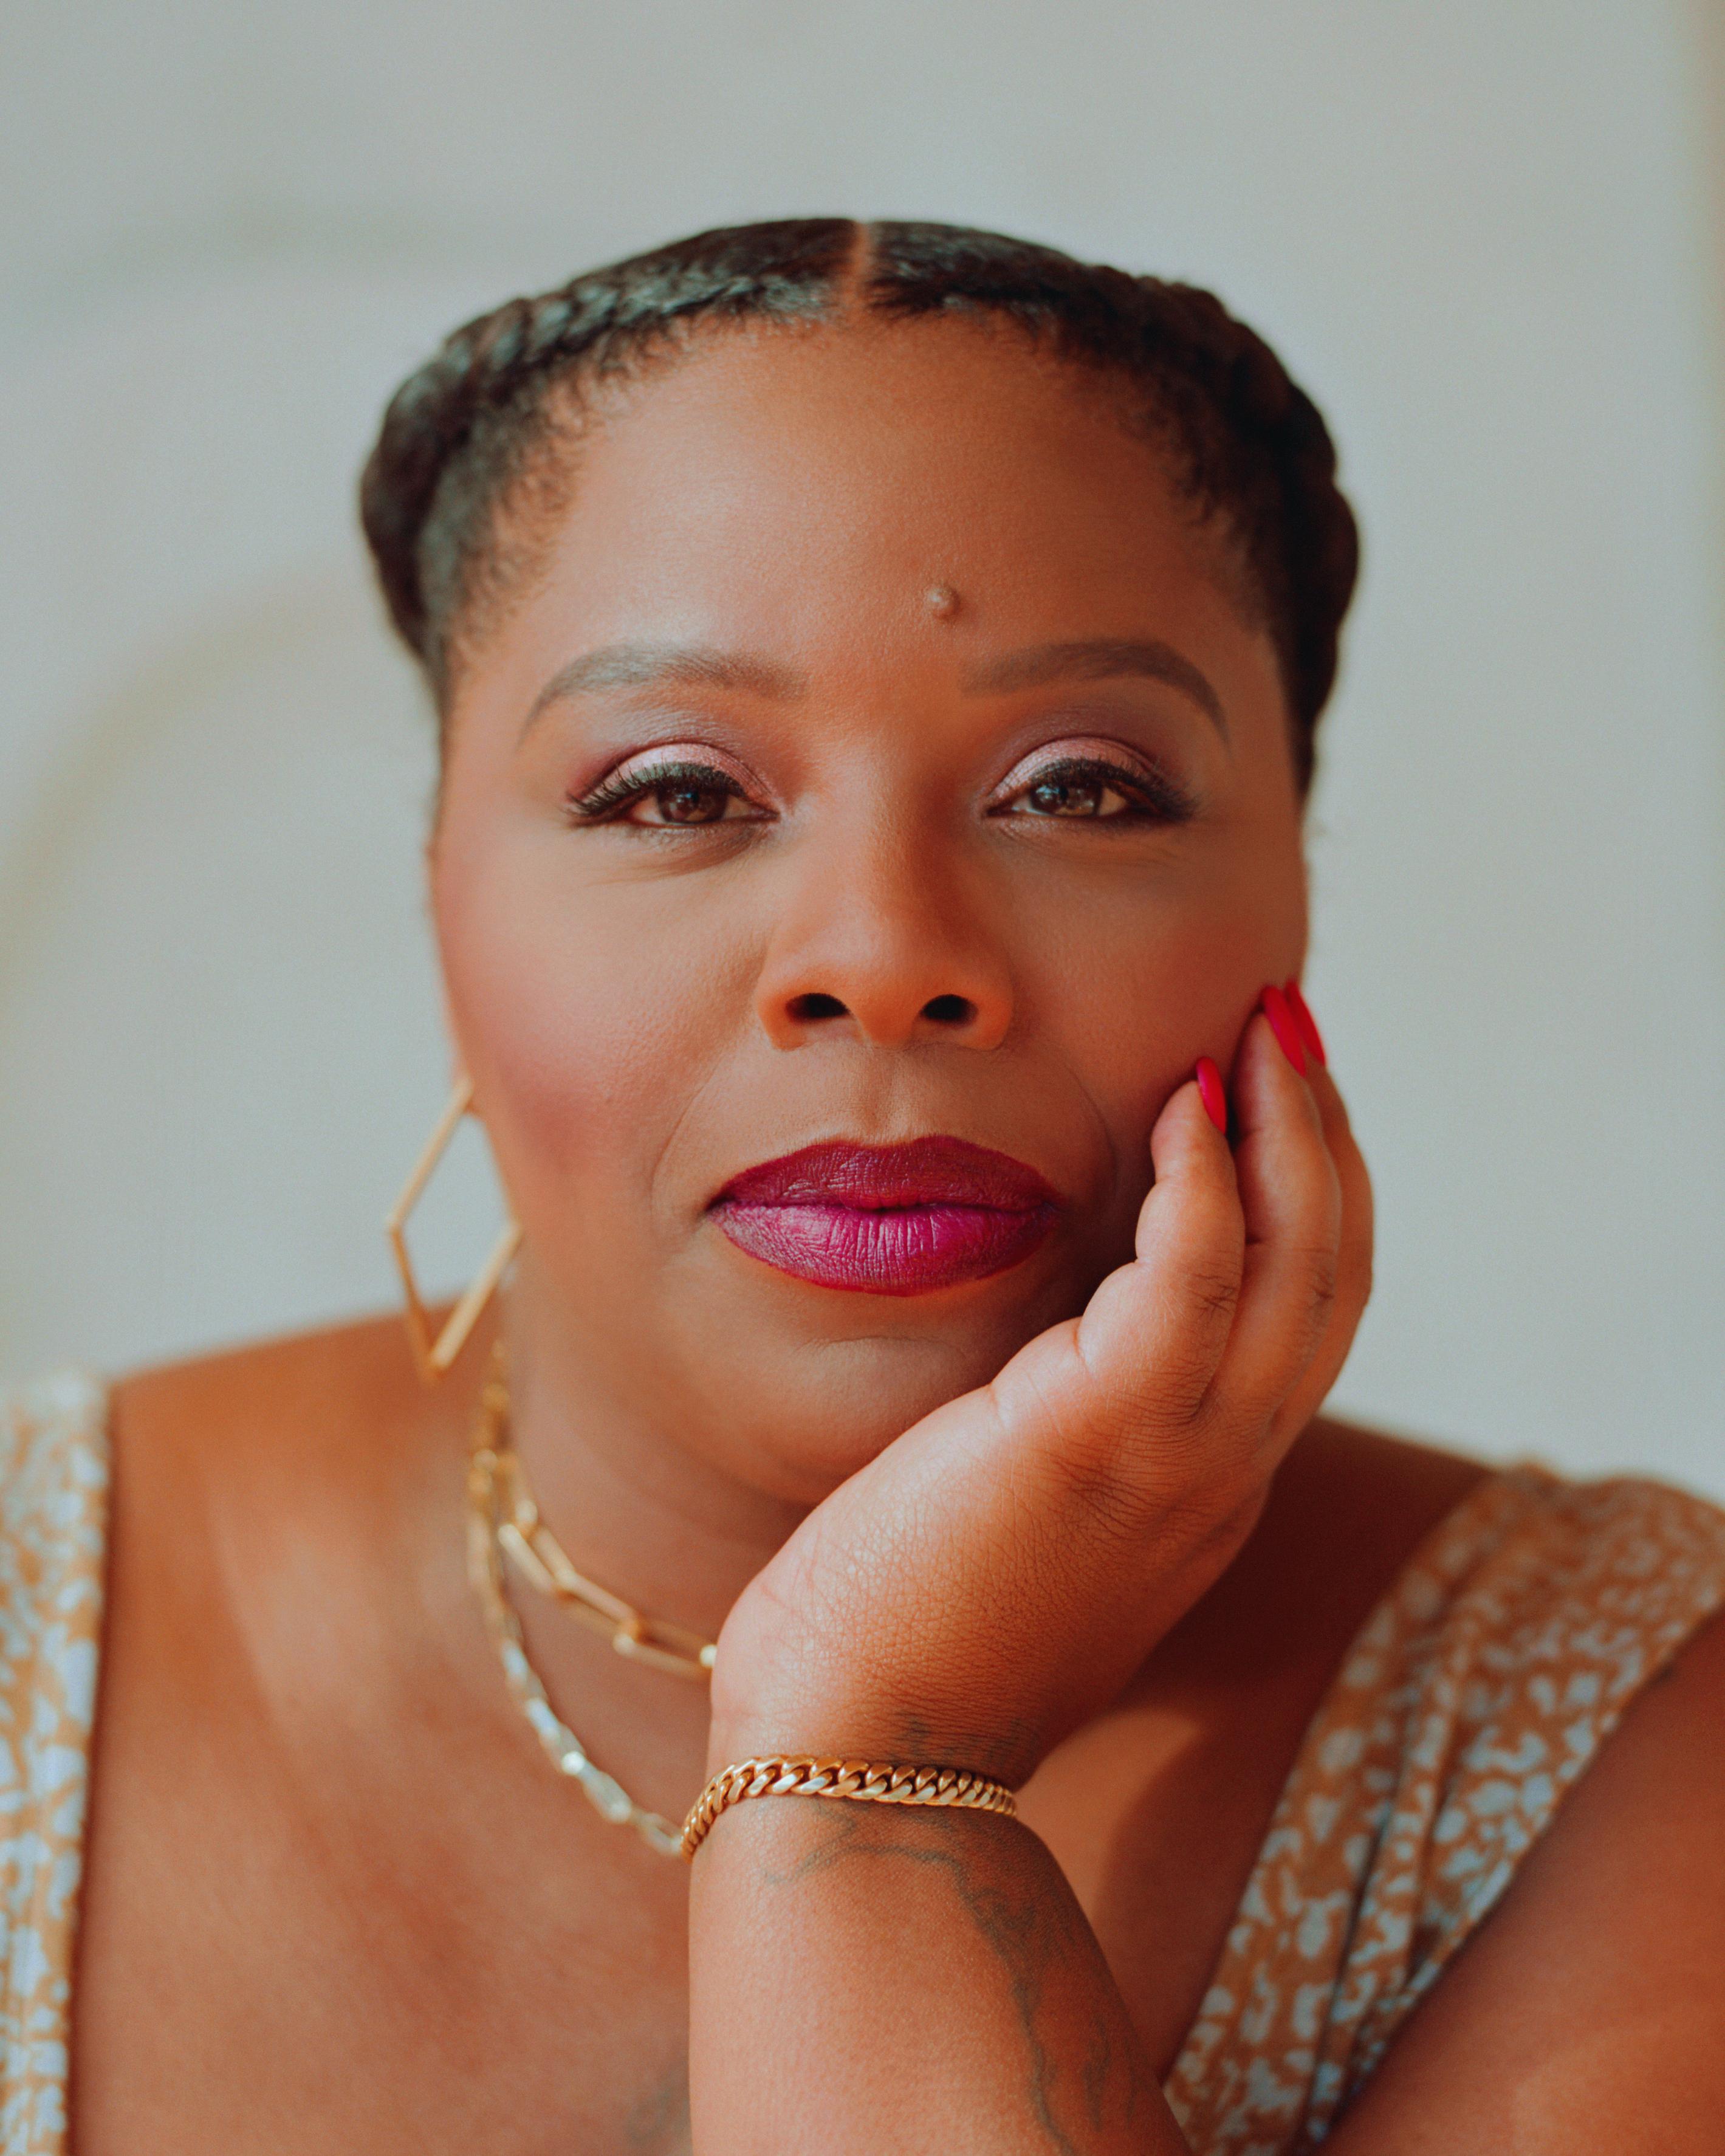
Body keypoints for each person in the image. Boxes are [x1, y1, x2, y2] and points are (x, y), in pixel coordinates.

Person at [5, 219, 1721, 2156]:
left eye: (1080, 784)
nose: (887, 952)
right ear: (439, 896)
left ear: (1294, 895)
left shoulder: (1609, 1733)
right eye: (673, 790)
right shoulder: (30, 1629)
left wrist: (871, 1772)